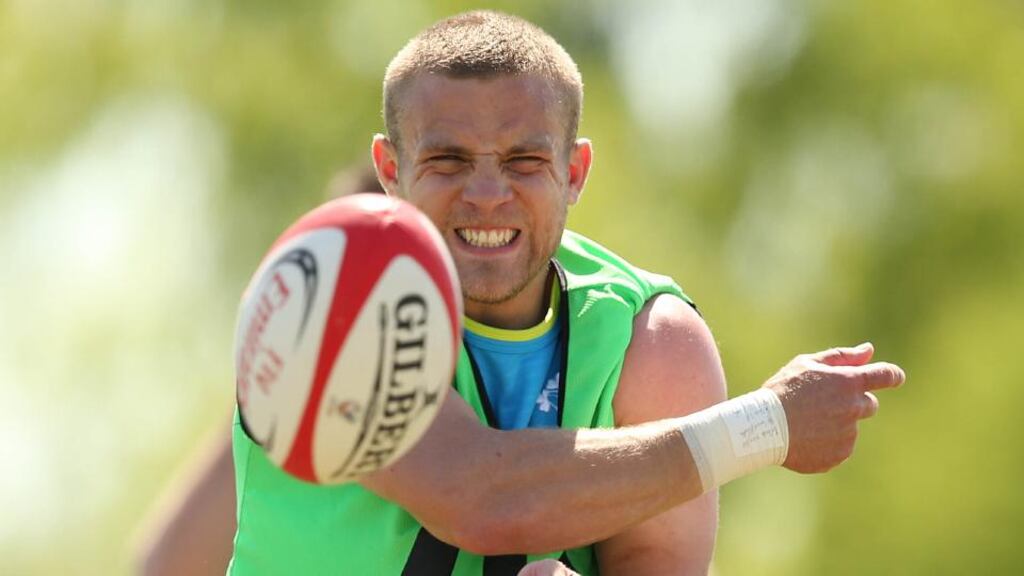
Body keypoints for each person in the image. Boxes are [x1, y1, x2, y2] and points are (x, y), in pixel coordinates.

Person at [143, 11, 906, 576]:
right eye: (447, 159)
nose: (486, 193)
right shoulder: (323, 296)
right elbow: (481, 500)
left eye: (523, 161)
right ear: (390, 168)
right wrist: (768, 425)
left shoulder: (652, 342)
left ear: (574, 172)